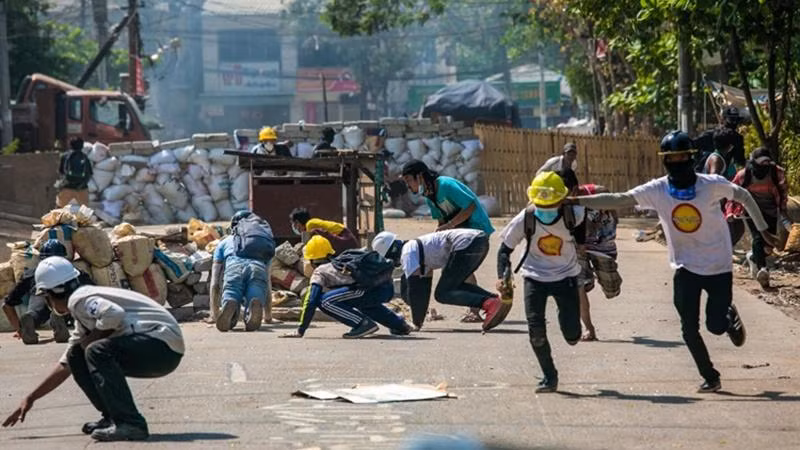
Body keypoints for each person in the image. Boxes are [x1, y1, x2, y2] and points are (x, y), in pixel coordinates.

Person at [572, 130, 775, 393]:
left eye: (682, 156)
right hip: (685, 266)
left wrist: (762, 229)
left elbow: (744, 196)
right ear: (665, 161)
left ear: (691, 158)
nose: (677, 162)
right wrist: (575, 200)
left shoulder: (710, 184)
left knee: (714, 326)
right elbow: (619, 199)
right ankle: (710, 376)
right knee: (688, 329)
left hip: (718, 265)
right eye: (672, 157)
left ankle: (727, 315)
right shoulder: (657, 189)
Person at [2, 257, 184, 441]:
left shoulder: (79, 300)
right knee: (77, 354)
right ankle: (112, 418)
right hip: (161, 347)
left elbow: (114, 314)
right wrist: (31, 398)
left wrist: (90, 340)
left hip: (161, 344)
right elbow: (66, 364)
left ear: (52, 294)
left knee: (95, 350)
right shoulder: (83, 310)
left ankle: (131, 423)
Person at [496, 171, 586, 393]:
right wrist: (502, 276)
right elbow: (504, 250)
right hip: (534, 277)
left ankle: (567, 320)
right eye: (541, 204)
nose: (545, 209)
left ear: (561, 199)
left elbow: (582, 242)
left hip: (566, 277)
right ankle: (549, 376)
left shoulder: (574, 215)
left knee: (573, 335)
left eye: (551, 203)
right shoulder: (526, 217)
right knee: (535, 331)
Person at [401, 159, 494, 322]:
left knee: (461, 271)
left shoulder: (445, 184)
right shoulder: (430, 196)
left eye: (409, 180)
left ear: (420, 176)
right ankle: (480, 305)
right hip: (459, 232)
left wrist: (450, 225)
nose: (408, 186)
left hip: (476, 228)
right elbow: (441, 222)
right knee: (460, 270)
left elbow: (470, 205)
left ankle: (478, 306)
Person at [281, 235, 412, 339]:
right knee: (360, 302)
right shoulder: (341, 261)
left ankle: (362, 324)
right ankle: (399, 325)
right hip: (385, 288)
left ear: (312, 260)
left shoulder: (320, 271)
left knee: (325, 301)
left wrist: (301, 329)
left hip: (370, 290)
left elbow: (312, 300)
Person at [375, 229, 506, 331]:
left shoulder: (408, 253)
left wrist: (414, 323)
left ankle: (489, 302)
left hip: (466, 244)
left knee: (443, 293)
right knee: (453, 286)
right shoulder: (416, 250)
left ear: (391, 253)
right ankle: (494, 300)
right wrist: (419, 321)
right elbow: (424, 288)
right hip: (477, 241)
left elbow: (415, 290)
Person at [558, 170, 622, 341]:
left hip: (602, 244)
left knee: (612, 290)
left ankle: (599, 279)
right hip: (578, 247)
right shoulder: (560, 202)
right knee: (577, 286)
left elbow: (613, 204)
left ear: (574, 189)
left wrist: (612, 220)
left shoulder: (597, 193)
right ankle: (589, 329)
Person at [2, 239, 91, 345]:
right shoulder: (73, 272)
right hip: (65, 300)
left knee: (36, 313)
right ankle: (60, 317)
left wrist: (20, 329)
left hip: (39, 296)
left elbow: (7, 305)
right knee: (71, 307)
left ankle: (31, 318)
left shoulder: (32, 274)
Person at [726, 147, 790, 289]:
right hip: (751, 211)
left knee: (768, 246)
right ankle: (763, 270)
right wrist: (730, 211)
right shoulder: (744, 175)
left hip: (771, 211)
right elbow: (732, 193)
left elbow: (783, 192)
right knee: (758, 237)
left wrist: (784, 211)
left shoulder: (777, 173)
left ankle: (753, 257)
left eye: (767, 163)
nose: (764, 167)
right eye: (761, 164)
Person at [210, 210, 275, 332]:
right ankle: (253, 306)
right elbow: (268, 284)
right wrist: (268, 317)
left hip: (234, 266)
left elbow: (214, 283)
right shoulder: (261, 243)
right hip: (258, 267)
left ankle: (230, 303)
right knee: (256, 291)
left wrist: (213, 315)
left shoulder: (224, 242)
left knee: (232, 290)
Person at [289, 207, 360, 255]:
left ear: (298, 222)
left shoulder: (310, 225)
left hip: (344, 239)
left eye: (295, 224)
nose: (295, 227)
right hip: (346, 238)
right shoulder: (312, 223)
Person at [55, 137, 93, 207]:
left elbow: (61, 171)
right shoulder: (84, 157)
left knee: (58, 210)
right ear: (82, 146)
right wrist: (82, 183)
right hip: (81, 188)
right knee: (85, 211)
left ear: (70, 145)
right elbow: (90, 173)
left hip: (67, 187)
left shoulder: (65, 156)